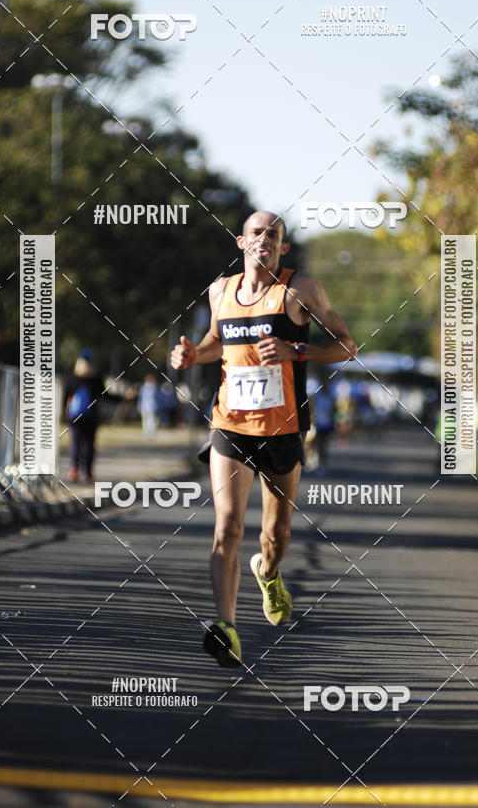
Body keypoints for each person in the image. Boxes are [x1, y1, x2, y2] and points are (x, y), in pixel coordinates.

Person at [170, 211, 357, 668]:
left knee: (274, 534)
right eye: (257, 233)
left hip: (284, 429)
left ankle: (268, 572)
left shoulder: (300, 290)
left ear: (283, 247)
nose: (265, 240)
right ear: (241, 242)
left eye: (274, 235)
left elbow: (348, 345)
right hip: (230, 424)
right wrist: (194, 355)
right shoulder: (220, 291)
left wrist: (299, 350)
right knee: (227, 527)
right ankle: (227, 629)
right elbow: (218, 339)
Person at [64, 349, 104, 483]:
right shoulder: (96, 379)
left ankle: (74, 469)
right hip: (90, 417)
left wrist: (64, 413)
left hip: (74, 417)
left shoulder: (72, 378)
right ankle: (88, 473)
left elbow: (66, 397)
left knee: (75, 443)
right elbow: (105, 396)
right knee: (88, 445)